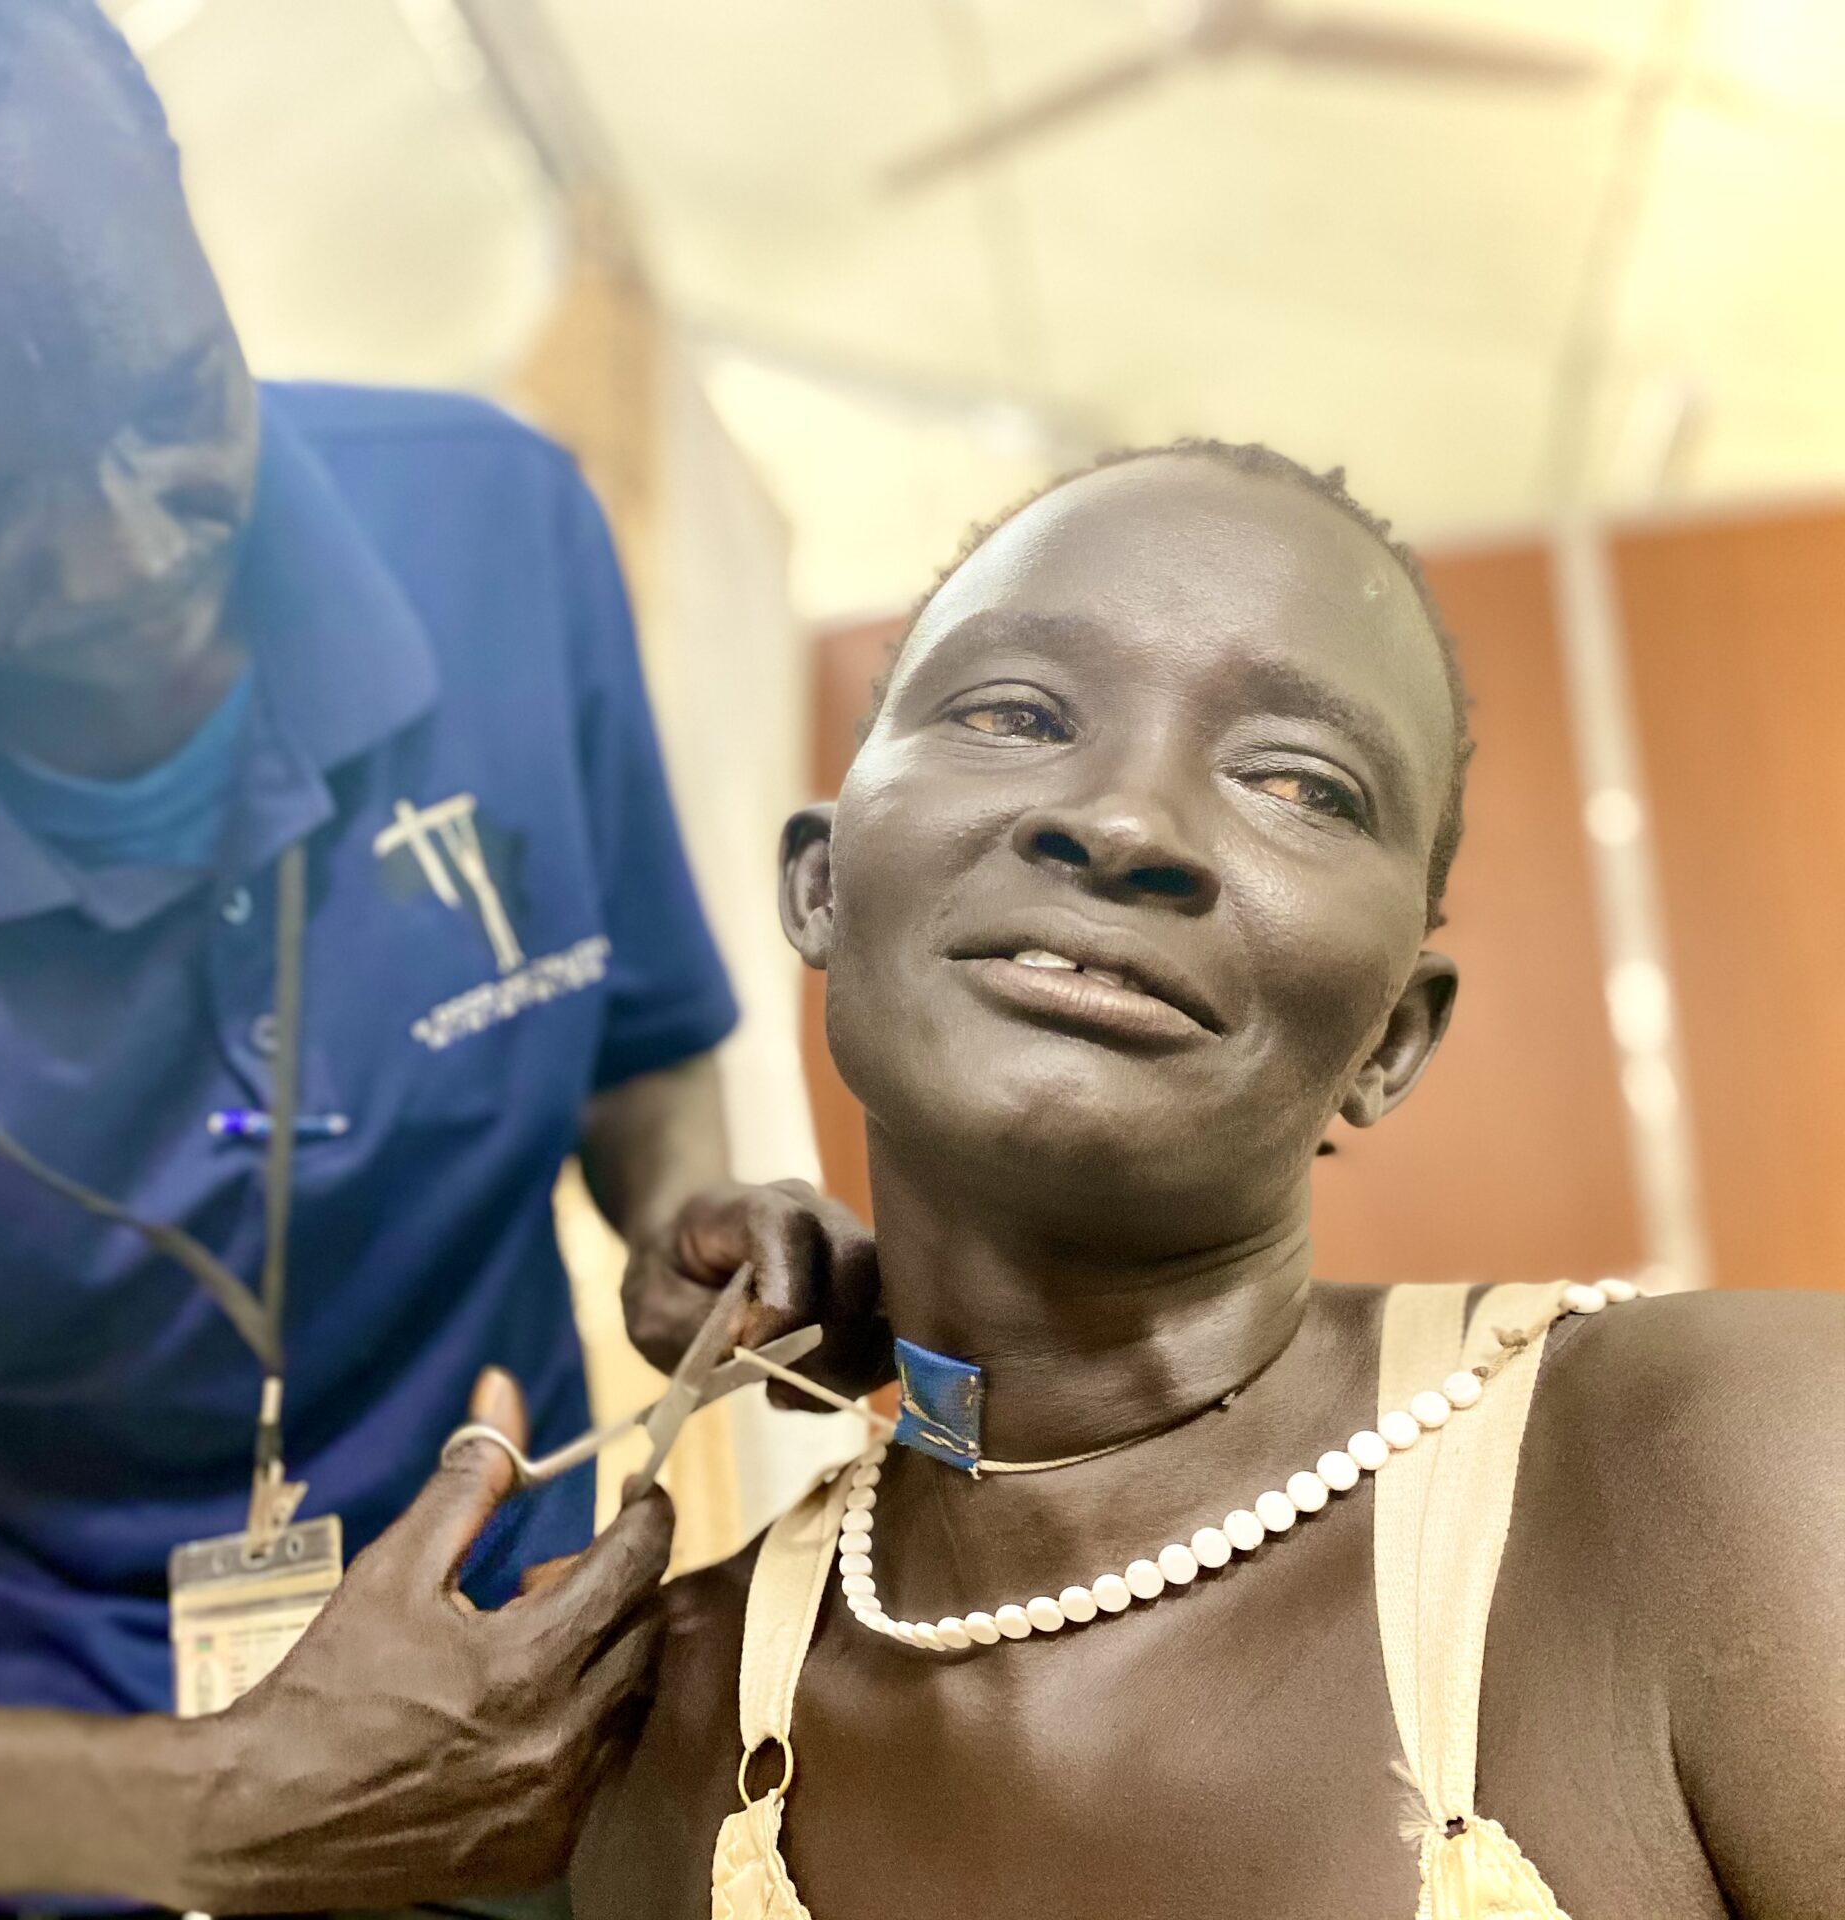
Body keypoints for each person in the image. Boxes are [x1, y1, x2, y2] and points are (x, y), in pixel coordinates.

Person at [0, 1, 864, 1913]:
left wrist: (687, 1212)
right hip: (25, 1806)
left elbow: (633, 1058)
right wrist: (213, 1801)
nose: (118, 567)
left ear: (168, 174)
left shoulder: (505, 536)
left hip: (515, 1736)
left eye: (168, 399)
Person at [573, 442, 1845, 1917]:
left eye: (1300, 783)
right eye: (1015, 712)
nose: (1123, 824)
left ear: (1391, 1038)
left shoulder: (1740, 1471)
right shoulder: (673, 1724)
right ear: (821, 884)